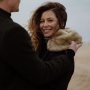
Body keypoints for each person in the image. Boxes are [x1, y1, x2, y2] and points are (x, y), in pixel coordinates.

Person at [28, 2, 82, 90]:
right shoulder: (40, 45)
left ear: (62, 23)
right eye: (42, 21)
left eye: (50, 20)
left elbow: (41, 76)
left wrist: (70, 54)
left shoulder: (65, 50)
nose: (44, 25)